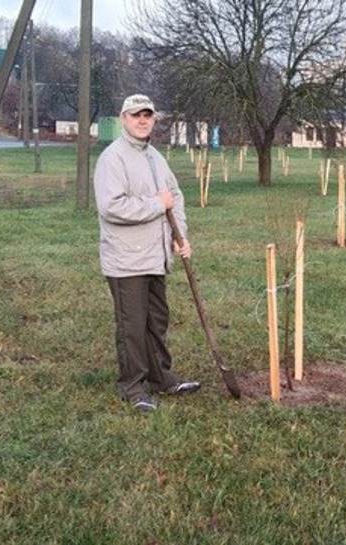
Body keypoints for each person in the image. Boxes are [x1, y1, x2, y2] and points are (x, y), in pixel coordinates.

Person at [94, 94, 201, 413]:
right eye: (135, 115)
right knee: (133, 323)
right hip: (126, 259)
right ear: (123, 119)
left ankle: (160, 377)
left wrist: (178, 235)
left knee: (156, 319)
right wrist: (158, 205)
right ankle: (133, 385)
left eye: (147, 115)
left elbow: (175, 197)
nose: (142, 120)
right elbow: (111, 207)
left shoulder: (155, 157)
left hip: (156, 256)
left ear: (154, 119)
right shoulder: (113, 158)